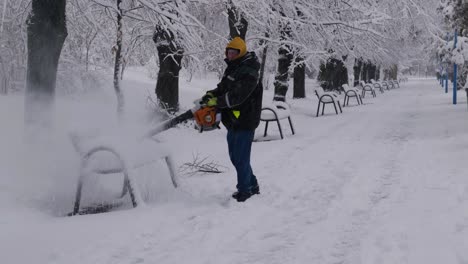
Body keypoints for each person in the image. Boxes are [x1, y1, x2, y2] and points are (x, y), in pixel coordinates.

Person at [201, 36, 263, 202]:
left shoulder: (250, 72)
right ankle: (253, 184)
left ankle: (245, 191)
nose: (230, 55)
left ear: (240, 52)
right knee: (235, 157)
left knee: (241, 158)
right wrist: (211, 94)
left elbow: (237, 97)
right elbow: (223, 88)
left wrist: (217, 102)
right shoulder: (233, 68)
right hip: (233, 120)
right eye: (228, 52)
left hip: (246, 120)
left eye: (233, 53)